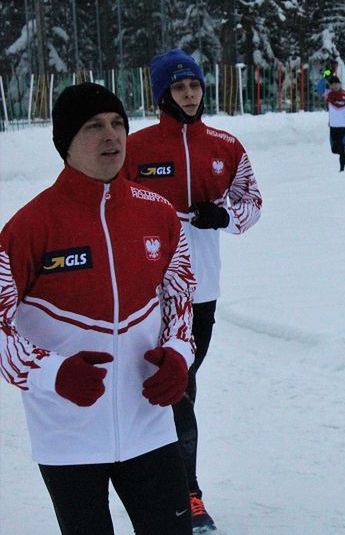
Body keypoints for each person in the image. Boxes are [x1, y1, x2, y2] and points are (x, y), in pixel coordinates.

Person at [0, 82, 196, 534]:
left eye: (118, 124)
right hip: (67, 435)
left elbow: (181, 294)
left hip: (148, 424)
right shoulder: (29, 227)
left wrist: (180, 356)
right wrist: (51, 373)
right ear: (66, 143)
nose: (112, 136)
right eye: (94, 126)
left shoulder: (159, 214)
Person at [123, 49, 263, 534]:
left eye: (195, 86)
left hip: (202, 289)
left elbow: (253, 202)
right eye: (179, 87)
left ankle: (176, 488)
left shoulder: (225, 145)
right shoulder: (136, 148)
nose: (189, 93)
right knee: (170, 389)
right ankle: (186, 492)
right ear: (163, 93)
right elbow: (110, 202)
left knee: (180, 386)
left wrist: (226, 216)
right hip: (145, 290)